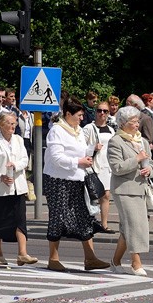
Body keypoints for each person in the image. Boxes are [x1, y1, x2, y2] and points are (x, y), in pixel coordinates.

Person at [43, 98, 110, 272]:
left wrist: (90, 151)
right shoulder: (57, 131)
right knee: (58, 218)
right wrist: (78, 161)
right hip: (57, 180)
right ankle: (53, 258)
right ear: (68, 114)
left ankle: (90, 258)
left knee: (83, 216)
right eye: (79, 115)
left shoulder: (78, 130)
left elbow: (80, 150)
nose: (82, 119)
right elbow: (57, 158)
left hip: (76, 179)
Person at [0, 113, 38, 265]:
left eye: (14, 123)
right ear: (1, 125)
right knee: (0, 221)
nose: (13, 126)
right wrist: (1, 177)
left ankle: (22, 253)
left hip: (18, 187)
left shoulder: (19, 140)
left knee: (20, 220)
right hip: (1, 189)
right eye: (9, 123)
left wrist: (15, 165)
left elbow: (25, 160)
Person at [108, 106, 153, 275]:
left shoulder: (141, 141)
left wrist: (149, 169)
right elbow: (116, 168)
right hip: (124, 190)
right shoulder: (116, 141)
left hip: (140, 188)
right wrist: (136, 159)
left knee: (126, 228)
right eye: (133, 121)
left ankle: (115, 261)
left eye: (137, 121)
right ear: (123, 123)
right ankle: (136, 263)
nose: (137, 124)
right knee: (134, 226)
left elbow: (151, 163)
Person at [83, 101, 116, 232]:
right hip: (94, 166)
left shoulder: (111, 130)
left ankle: (104, 224)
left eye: (105, 111)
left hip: (107, 166)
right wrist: (93, 148)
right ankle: (89, 222)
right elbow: (80, 147)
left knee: (106, 195)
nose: (102, 113)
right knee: (93, 195)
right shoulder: (88, 128)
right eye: (99, 110)